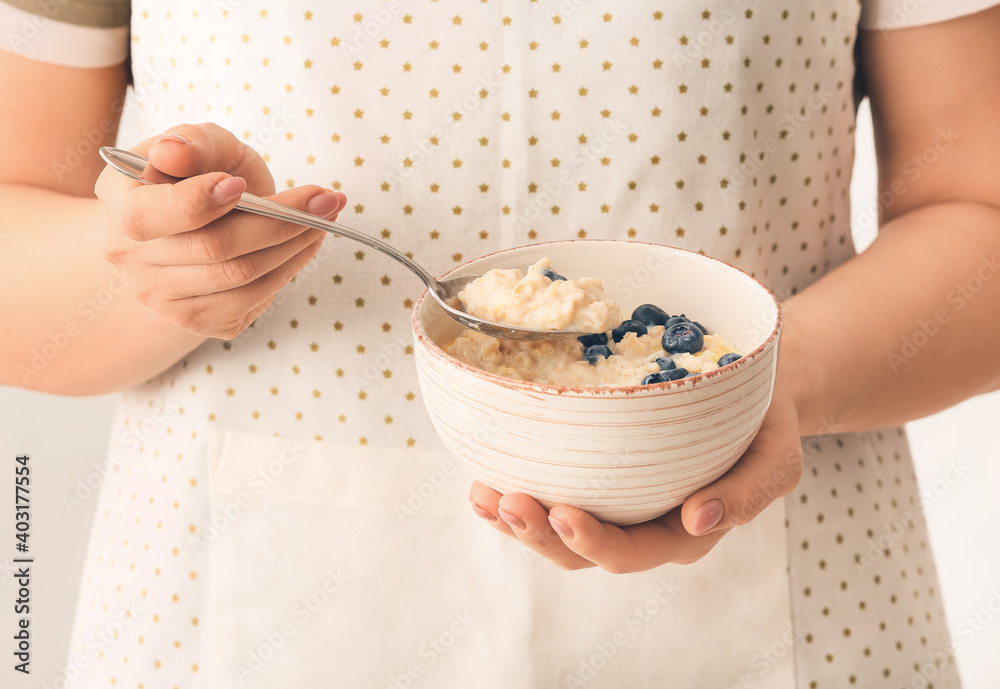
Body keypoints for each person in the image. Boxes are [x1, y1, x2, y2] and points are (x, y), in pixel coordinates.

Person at [2, 0, 998, 686]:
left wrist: (770, 386)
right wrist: (151, 270)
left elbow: (977, 206)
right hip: (233, 607)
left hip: (790, 577)